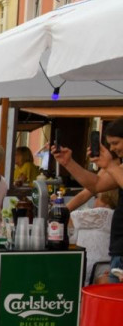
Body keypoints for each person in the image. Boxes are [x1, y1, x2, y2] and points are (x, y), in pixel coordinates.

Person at [53, 118, 123, 282]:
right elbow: (96, 185)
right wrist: (68, 163)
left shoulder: (115, 166)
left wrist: (110, 166)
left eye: (116, 143)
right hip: (118, 249)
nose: (112, 148)